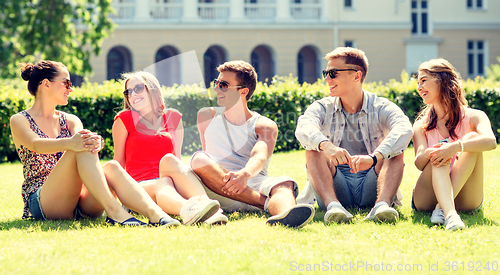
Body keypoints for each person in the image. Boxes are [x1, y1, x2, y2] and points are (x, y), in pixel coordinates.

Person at [10, 61, 177, 226]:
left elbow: (82, 144)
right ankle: (115, 212)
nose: (71, 89)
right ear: (46, 84)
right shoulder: (19, 120)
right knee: (78, 146)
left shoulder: (70, 120)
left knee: (111, 166)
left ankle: (156, 215)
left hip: (79, 201)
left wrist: (95, 143)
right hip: (43, 201)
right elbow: (36, 144)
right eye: (66, 83)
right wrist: (72, 143)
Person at [190, 61, 315, 228]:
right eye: (217, 83)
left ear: (244, 91)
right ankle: (264, 204)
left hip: (252, 182)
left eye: (224, 85)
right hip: (218, 188)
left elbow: (259, 155)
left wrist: (244, 175)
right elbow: (207, 155)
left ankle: (286, 215)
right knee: (199, 159)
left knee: (285, 183)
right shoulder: (206, 115)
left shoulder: (264, 124)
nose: (217, 89)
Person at [295, 47, 413, 224]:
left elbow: (404, 128)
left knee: (395, 150)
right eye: (325, 73)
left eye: (333, 73)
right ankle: (333, 207)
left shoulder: (380, 106)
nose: (326, 79)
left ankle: (382, 206)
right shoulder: (322, 107)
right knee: (314, 147)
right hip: (334, 186)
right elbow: (304, 127)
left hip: (373, 183)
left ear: (356, 76)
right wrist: (326, 145)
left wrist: (374, 158)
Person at [112, 71, 225, 225]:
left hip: (170, 181)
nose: (132, 94)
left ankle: (207, 206)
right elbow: (117, 164)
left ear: (152, 89)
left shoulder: (173, 117)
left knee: (169, 160)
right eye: (128, 92)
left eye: (138, 88)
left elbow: (177, 159)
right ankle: (190, 210)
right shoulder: (123, 120)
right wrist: (112, 205)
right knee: (163, 183)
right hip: (139, 187)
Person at [412, 58, 496, 231]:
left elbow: (491, 142)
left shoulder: (475, 116)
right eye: (418, 82)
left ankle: (442, 209)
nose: (419, 87)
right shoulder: (421, 125)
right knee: (438, 154)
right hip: (427, 198)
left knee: (472, 137)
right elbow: (419, 163)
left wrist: (456, 147)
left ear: (442, 80)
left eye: (424, 80)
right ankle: (449, 214)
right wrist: (432, 152)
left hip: (466, 197)